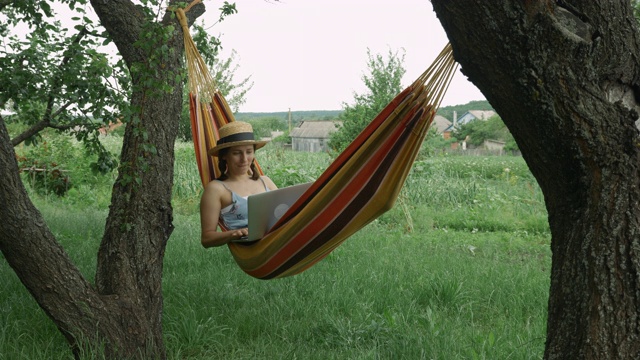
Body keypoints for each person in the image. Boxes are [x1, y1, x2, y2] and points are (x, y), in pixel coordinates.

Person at [200, 121, 277, 247]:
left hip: (280, 238)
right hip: (255, 250)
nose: (244, 159)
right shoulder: (216, 189)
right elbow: (207, 238)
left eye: (249, 152)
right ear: (224, 155)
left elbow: (285, 213)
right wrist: (234, 234)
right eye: (237, 153)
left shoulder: (265, 181)